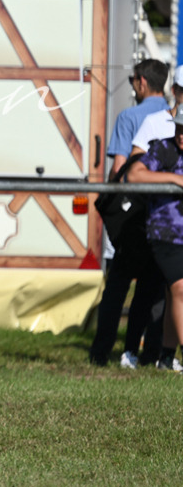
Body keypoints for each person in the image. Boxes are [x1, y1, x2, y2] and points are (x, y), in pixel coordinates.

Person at [89, 59, 169, 367]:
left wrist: (110, 201)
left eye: (134, 80)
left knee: (119, 281)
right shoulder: (170, 117)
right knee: (154, 286)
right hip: (163, 214)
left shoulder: (130, 117)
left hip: (134, 211)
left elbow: (118, 168)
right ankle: (147, 352)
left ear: (142, 82)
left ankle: (102, 351)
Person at [126, 108, 183, 371]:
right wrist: (175, 179)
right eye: (179, 128)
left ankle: (167, 357)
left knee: (175, 295)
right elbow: (134, 174)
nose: (181, 135)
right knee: (180, 290)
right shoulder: (163, 149)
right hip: (166, 234)